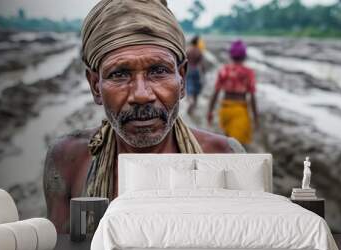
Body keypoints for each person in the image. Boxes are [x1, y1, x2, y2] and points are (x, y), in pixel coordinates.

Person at [43, 0, 242, 233]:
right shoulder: (68, 160)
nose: (141, 95)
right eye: (119, 74)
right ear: (96, 86)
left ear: (182, 79)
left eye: (158, 71)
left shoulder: (224, 156)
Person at [207, 40, 258, 146]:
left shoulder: (224, 70)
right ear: (244, 56)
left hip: (225, 110)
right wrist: (255, 117)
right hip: (240, 111)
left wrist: (210, 111)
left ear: (231, 55)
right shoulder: (248, 72)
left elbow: (215, 93)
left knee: (228, 144)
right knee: (237, 146)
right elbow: (252, 97)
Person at [186, 35, 205, 115]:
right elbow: (202, 64)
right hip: (196, 71)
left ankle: (190, 101)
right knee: (196, 90)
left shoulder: (188, 50)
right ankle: (194, 108)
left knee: (189, 88)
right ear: (197, 42)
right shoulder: (199, 51)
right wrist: (203, 74)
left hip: (188, 70)